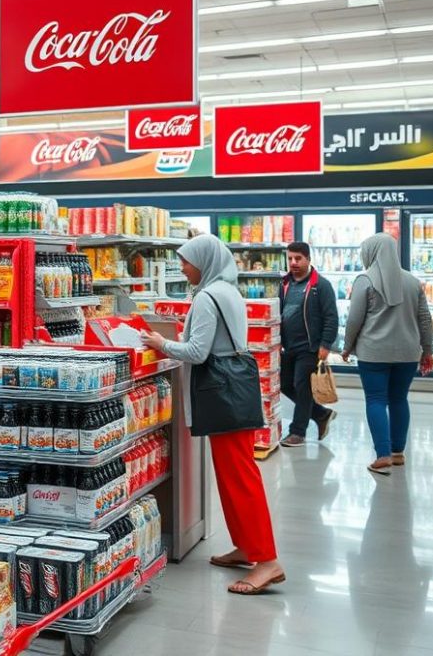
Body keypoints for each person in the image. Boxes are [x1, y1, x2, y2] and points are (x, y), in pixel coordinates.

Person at [140, 235, 285, 595]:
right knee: (231, 477)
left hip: (223, 395)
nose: (183, 268)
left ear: (203, 262)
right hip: (234, 393)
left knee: (241, 479)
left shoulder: (206, 297)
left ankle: (267, 561)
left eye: (187, 262)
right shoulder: (228, 291)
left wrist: (161, 344)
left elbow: (197, 352)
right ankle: (246, 547)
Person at [341, 233, 433, 475]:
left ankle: (382, 455)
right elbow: (425, 320)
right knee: (399, 399)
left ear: (371, 252)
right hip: (408, 354)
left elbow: (354, 320)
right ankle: (398, 453)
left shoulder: (365, 280)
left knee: (376, 400)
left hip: (373, 354)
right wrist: (428, 351)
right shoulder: (413, 281)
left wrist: (347, 347)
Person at [278, 242, 338, 447]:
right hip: (288, 346)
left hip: (310, 347)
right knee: (285, 384)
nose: (293, 263)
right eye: (290, 259)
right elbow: (279, 313)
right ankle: (321, 414)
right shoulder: (284, 284)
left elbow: (331, 317)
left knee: (301, 387)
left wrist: (326, 344)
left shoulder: (320, 286)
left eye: (298, 259)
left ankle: (298, 432)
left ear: (308, 259)